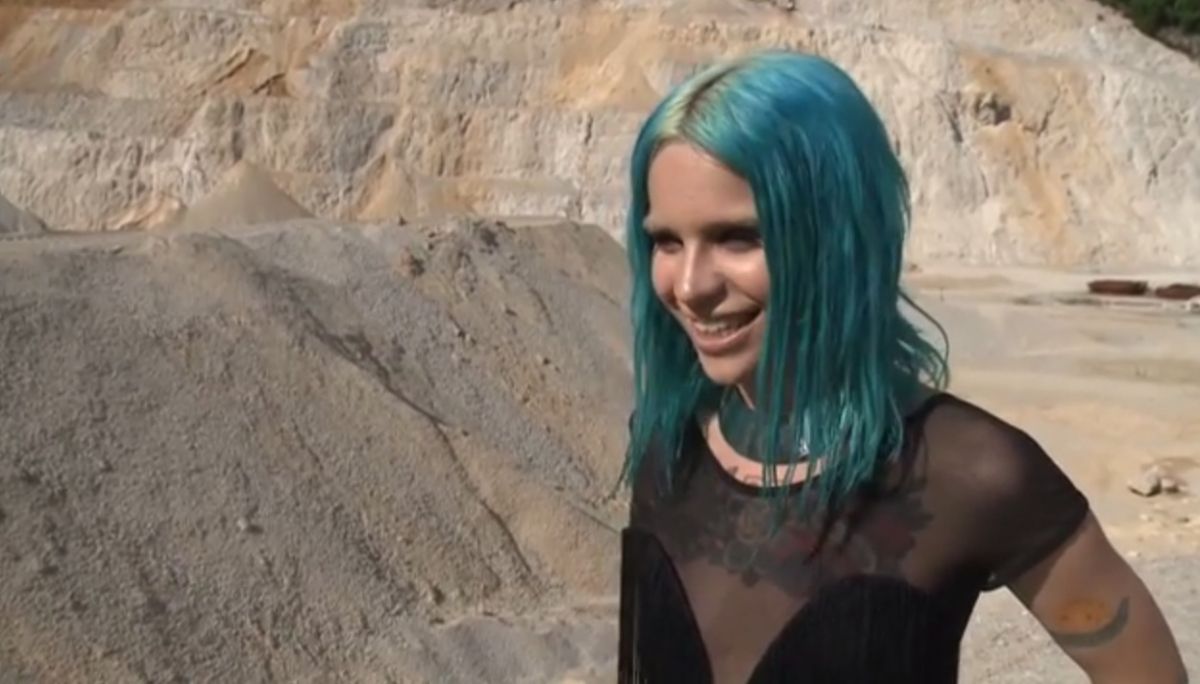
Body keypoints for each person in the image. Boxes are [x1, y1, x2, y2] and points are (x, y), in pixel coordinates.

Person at [616, 50, 1187, 684]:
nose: (689, 286)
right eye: (666, 241)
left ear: (839, 235)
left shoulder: (969, 471)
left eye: (738, 237)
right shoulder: (668, 447)